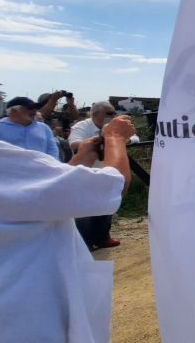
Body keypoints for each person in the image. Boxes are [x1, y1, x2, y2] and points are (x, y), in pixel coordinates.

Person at [0, 115, 135, 343]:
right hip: (30, 319)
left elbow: (32, 197)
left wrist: (78, 164)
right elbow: (110, 187)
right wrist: (115, 138)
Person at [69, 102, 140, 250]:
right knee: (84, 211)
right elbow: (74, 144)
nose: (113, 115)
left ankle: (103, 238)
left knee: (107, 206)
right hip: (86, 171)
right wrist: (106, 140)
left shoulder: (114, 125)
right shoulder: (82, 126)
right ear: (95, 114)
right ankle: (85, 242)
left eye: (114, 112)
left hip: (106, 168)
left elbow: (135, 138)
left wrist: (116, 138)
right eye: (109, 113)